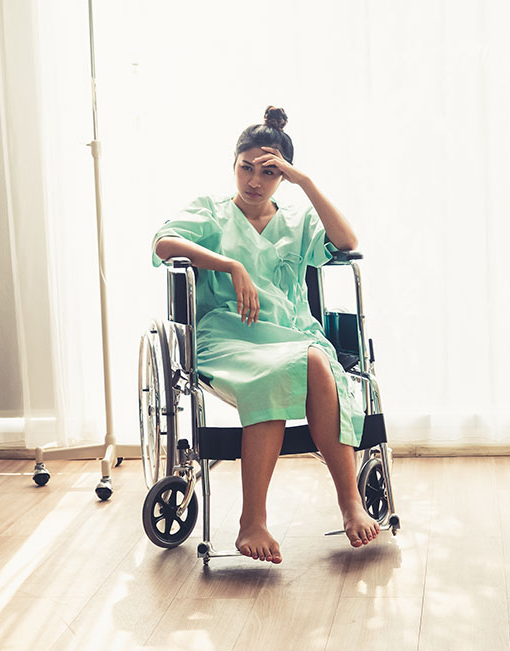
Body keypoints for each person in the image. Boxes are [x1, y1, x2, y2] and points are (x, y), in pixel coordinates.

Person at [151, 106, 379, 563]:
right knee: (289, 368)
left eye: (269, 171)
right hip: (227, 335)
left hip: (292, 332)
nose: (255, 180)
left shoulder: (297, 220)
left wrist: (305, 182)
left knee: (314, 359)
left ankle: (349, 502)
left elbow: (348, 241)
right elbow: (164, 243)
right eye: (246, 167)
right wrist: (230, 264)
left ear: (283, 175)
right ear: (234, 164)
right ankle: (251, 520)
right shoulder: (211, 213)